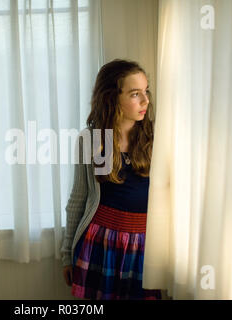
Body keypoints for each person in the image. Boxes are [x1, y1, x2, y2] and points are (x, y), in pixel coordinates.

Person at [61, 59, 162, 300]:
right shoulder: (94, 139)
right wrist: (66, 254)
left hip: (143, 245)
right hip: (100, 243)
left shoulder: (155, 137)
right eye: (135, 94)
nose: (145, 101)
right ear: (112, 97)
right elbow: (79, 198)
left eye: (146, 91)